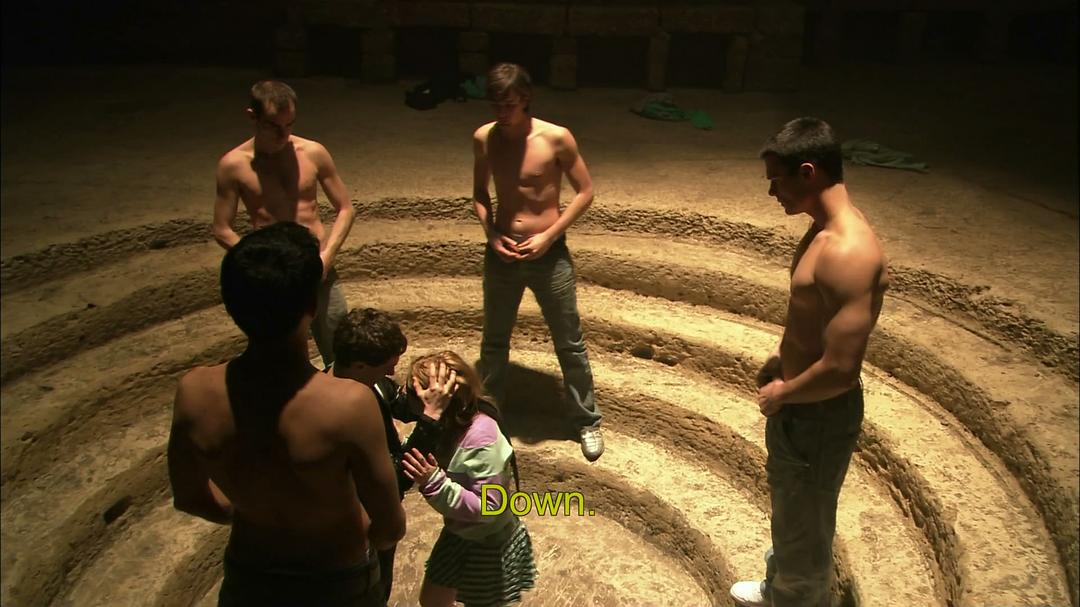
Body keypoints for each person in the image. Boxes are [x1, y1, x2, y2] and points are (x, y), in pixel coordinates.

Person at [167, 222, 405, 606]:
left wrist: (252, 513)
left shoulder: (194, 392)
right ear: (311, 306)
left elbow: (190, 497)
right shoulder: (349, 405)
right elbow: (389, 528)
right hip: (335, 579)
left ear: (232, 306)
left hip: (250, 574)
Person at [730, 117, 890, 607]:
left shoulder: (849, 251)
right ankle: (783, 584)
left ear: (808, 172)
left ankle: (798, 598)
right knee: (793, 513)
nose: (771, 193)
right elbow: (813, 320)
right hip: (803, 405)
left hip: (818, 414)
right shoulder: (821, 230)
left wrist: (783, 392)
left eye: (776, 181)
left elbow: (841, 369)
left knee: (806, 519)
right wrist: (782, 357)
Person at [471, 62, 604, 462]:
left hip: (549, 253)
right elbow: (479, 193)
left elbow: (585, 191)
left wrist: (549, 235)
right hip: (502, 252)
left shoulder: (555, 138)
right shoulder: (484, 137)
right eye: (496, 104)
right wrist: (491, 234)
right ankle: (488, 420)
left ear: (526, 99)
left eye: (509, 104)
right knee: (494, 340)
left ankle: (586, 420)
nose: (502, 112)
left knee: (569, 340)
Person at [212, 80, 355, 368]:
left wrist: (327, 256)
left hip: (317, 264)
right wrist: (260, 261)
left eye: (289, 124)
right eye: (273, 126)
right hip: (274, 274)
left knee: (340, 346)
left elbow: (346, 208)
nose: (283, 134)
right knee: (278, 352)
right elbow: (222, 229)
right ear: (252, 117)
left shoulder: (312, 152)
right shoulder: (234, 165)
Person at [401, 351, 537, 607]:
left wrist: (435, 483)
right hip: (460, 532)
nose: (405, 397)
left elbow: (488, 506)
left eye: (411, 393)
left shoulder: (480, 438)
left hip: (486, 542)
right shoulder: (447, 424)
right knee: (432, 600)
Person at [332, 307, 447, 601]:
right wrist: (431, 419)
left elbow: (398, 403)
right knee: (371, 591)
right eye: (386, 368)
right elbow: (399, 475)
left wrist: (423, 392)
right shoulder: (339, 413)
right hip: (362, 526)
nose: (391, 374)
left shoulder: (366, 381)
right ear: (359, 366)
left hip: (378, 517)